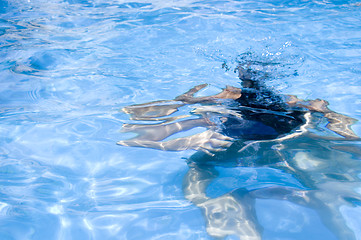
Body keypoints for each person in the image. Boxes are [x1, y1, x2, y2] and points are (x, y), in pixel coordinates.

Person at [117, 63, 361, 239]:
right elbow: (332, 119)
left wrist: (188, 97)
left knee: (199, 167)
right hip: (285, 140)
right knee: (317, 187)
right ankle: (338, 224)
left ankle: (217, 209)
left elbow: (180, 107)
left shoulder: (229, 94)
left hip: (242, 140)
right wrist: (347, 137)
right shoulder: (296, 102)